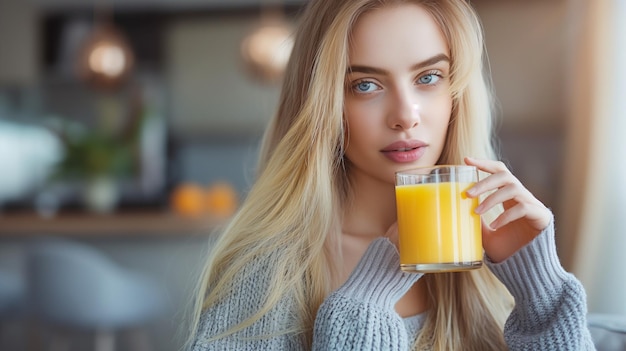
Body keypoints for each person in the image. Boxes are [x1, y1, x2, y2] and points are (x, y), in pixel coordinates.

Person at [188, 0, 595, 350]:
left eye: (428, 78)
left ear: (457, 92)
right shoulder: (268, 272)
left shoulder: (491, 258)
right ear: (323, 105)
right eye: (365, 85)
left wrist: (541, 291)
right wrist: (366, 301)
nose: (405, 116)